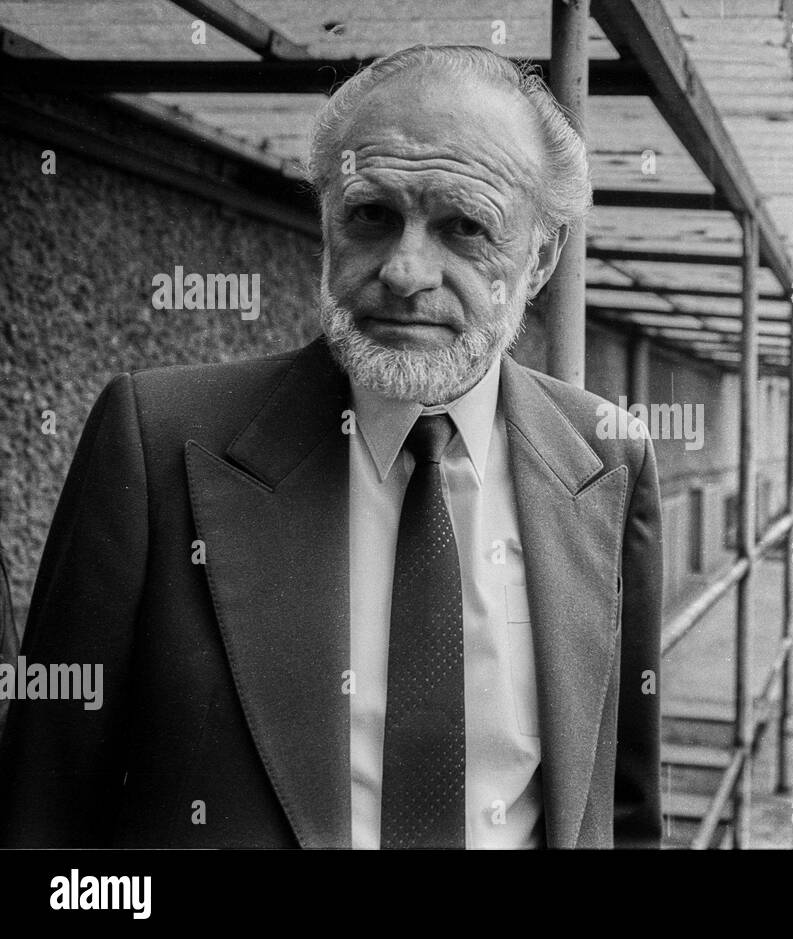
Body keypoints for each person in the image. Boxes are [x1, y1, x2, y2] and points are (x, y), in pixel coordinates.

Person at [0, 44, 663, 849]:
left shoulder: (608, 459)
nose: (407, 270)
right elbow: (42, 813)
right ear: (325, 219)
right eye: (372, 215)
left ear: (542, 257)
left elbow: (624, 810)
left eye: (464, 226)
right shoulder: (157, 440)